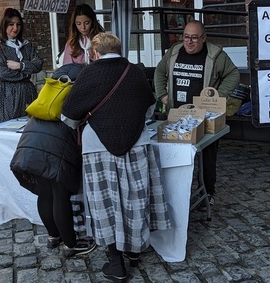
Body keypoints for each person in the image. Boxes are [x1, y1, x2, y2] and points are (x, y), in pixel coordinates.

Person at [61, 33, 171, 282]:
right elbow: (150, 109)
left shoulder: (89, 73)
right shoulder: (135, 72)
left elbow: (68, 116)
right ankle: (133, 252)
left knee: (106, 204)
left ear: (95, 53)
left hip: (97, 146)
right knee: (134, 198)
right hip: (136, 144)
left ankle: (115, 262)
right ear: (119, 50)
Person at [153, 20, 239, 208]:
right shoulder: (174, 53)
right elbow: (159, 72)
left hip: (205, 116)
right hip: (176, 115)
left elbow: (233, 74)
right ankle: (177, 193)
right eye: (186, 37)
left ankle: (208, 192)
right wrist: (163, 95)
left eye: (194, 37)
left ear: (204, 38)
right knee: (175, 155)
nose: (189, 42)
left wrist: (218, 96)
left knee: (207, 155)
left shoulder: (215, 55)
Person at [9, 114, 96, 257]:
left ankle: (53, 237)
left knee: (45, 193)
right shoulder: (73, 98)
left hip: (32, 145)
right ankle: (71, 245)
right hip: (55, 149)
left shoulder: (47, 101)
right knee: (60, 195)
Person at [0, 8, 43, 122]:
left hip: (27, 92)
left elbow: (38, 64)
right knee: (9, 126)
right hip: (7, 93)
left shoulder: (25, 45)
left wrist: (20, 66)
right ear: (4, 25)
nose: (15, 28)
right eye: (11, 24)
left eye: (18, 25)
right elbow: (2, 73)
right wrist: (25, 74)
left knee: (30, 125)